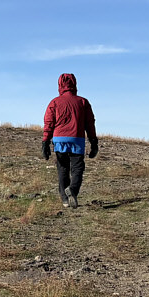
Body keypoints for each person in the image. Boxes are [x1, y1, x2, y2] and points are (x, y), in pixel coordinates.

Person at [42, 73, 98, 208]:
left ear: (60, 85)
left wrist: (45, 142)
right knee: (77, 167)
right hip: (77, 139)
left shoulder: (54, 102)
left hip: (59, 139)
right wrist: (93, 141)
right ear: (74, 84)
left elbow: (49, 122)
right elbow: (90, 123)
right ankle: (72, 190)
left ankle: (65, 199)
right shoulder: (83, 102)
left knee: (62, 168)